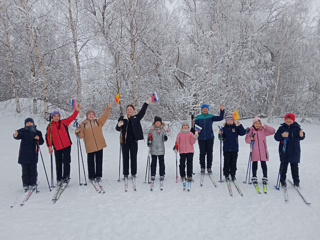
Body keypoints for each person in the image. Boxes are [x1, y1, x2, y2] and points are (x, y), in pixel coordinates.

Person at [75, 102, 113, 183]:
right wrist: (77, 132)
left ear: (94, 115)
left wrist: (108, 108)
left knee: (99, 161)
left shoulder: (98, 122)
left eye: (92, 114)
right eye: (89, 114)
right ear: (87, 115)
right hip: (90, 146)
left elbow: (104, 116)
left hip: (99, 144)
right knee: (91, 162)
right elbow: (81, 136)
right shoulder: (83, 124)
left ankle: (98, 175)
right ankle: (91, 176)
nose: (91, 115)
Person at [115, 97, 152, 180]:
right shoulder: (122, 118)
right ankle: (125, 173)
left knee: (133, 157)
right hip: (124, 141)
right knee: (125, 157)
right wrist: (119, 125)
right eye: (128, 109)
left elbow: (143, 111)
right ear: (126, 110)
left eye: (131, 109)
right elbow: (117, 129)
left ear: (133, 110)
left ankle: (134, 173)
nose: (129, 111)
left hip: (133, 141)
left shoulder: (136, 117)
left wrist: (146, 103)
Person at [45, 103, 80, 186]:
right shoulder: (50, 126)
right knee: (58, 163)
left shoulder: (64, 122)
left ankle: (66, 178)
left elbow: (72, 117)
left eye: (58, 116)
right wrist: (49, 147)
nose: (56, 117)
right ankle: (59, 179)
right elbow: (48, 137)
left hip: (67, 145)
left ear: (60, 117)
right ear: (52, 117)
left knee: (67, 162)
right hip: (57, 147)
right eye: (54, 116)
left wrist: (77, 110)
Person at [274, 113, 305, 188]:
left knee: (294, 167)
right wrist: (282, 135)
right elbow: (276, 137)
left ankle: (296, 182)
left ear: (293, 120)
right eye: (287, 119)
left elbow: (301, 136)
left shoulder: (297, 128)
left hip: (294, 151)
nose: (288, 120)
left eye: (290, 119)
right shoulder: (281, 128)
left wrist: (302, 135)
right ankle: (282, 180)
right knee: (283, 167)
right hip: (284, 150)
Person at [13, 118, 44, 191]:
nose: (29, 124)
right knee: (25, 170)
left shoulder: (37, 132)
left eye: (31, 122)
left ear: (33, 123)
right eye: (27, 123)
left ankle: (33, 183)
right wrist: (15, 135)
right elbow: (18, 135)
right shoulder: (23, 131)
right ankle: (25, 184)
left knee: (33, 169)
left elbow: (41, 142)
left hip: (33, 154)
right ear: (25, 124)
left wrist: (38, 138)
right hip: (24, 154)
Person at [195, 103, 225, 174]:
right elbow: (195, 127)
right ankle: (202, 167)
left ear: (208, 109)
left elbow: (220, 118)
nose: (205, 110)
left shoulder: (211, 116)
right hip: (201, 138)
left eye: (206, 109)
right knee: (202, 153)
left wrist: (222, 110)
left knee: (209, 153)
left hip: (210, 137)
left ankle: (209, 167)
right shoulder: (198, 117)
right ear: (201, 110)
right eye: (203, 109)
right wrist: (196, 133)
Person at [245, 116, 275, 185]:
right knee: (254, 164)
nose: (257, 125)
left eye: (259, 123)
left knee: (263, 164)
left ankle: (265, 177)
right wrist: (250, 139)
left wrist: (266, 127)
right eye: (256, 123)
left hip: (263, 151)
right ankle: (254, 176)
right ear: (253, 124)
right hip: (254, 151)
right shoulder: (251, 130)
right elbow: (246, 140)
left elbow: (273, 131)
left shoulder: (263, 130)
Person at [218, 115, 246, 181]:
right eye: (228, 120)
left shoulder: (236, 128)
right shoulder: (224, 128)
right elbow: (220, 138)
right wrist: (220, 134)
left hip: (234, 148)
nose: (230, 122)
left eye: (231, 120)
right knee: (226, 162)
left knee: (233, 162)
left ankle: (233, 174)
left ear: (233, 121)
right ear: (226, 121)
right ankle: (226, 174)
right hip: (226, 148)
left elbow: (243, 133)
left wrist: (240, 125)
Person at [175, 121, 198, 186]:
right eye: (184, 125)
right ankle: (182, 175)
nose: (185, 126)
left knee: (189, 163)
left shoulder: (190, 133)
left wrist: (195, 137)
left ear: (188, 126)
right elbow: (177, 141)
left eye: (186, 125)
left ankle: (189, 175)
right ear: (182, 126)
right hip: (182, 151)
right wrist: (176, 147)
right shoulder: (179, 134)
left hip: (190, 151)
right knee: (182, 163)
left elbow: (192, 142)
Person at [147, 116, 169, 181]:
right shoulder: (152, 130)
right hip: (153, 149)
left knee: (161, 162)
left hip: (161, 149)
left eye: (159, 122)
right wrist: (148, 142)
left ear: (161, 123)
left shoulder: (162, 130)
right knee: (153, 162)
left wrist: (165, 137)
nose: (158, 123)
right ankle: (153, 174)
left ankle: (162, 174)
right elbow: (149, 137)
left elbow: (165, 139)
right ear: (154, 122)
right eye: (156, 122)